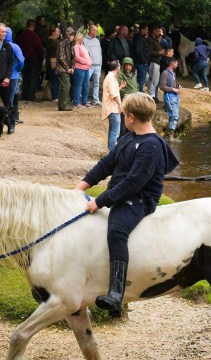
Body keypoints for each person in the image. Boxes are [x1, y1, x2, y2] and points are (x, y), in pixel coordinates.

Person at [75, 93, 180, 317]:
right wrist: (81, 187)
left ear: (131, 117)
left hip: (140, 199)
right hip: (124, 191)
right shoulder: (129, 136)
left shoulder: (151, 146)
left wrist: (100, 201)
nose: (123, 118)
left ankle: (115, 293)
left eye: (124, 115)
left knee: (116, 231)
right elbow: (108, 163)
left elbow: (133, 183)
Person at [16, 19, 44, 103]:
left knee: (26, 77)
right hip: (33, 58)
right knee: (33, 77)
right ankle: (31, 95)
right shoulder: (34, 35)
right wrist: (41, 57)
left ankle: (25, 94)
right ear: (33, 26)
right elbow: (39, 47)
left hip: (23, 59)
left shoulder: (21, 35)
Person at [4, 27, 25, 132]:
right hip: (13, 76)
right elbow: (21, 61)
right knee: (11, 100)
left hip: (1, 75)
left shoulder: (0, 45)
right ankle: (11, 124)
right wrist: (17, 70)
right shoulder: (15, 46)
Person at [101, 60, 123, 151]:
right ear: (117, 68)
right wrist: (120, 105)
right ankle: (112, 152)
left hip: (110, 108)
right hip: (112, 108)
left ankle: (111, 151)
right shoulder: (111, 78)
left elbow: (112, 91)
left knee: (112, 130)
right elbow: (114, 94)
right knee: (115, 132)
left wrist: (120, 87)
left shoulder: (110, 77)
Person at [159, 56, 181, 139]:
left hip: (175, 96)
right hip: (169, 96)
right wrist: (173, 89)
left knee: (176, 115)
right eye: (176, 63)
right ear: (172, 63)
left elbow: (173, 84)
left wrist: (178, 86)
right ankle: (169, 135)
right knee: (174, 116)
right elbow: (162, 86)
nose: (177, 65)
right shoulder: (165, 73)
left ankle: (171, 134)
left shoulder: (173, 73)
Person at [54, 27, 76, 111]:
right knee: (66, 86)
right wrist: (68, 68)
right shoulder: (62, 43)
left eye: (73, 35)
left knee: (65, 86)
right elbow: (61, 57)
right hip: (62, 68)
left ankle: (62, 105)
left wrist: (72, 67)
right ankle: (63, 105)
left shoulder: (71, 44)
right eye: (71, 34)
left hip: (68, 68)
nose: (72, 36)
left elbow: (73, 57)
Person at [72, 31, 93, 109]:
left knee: (86, 85)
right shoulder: (76, 46)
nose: (83, 38)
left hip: (86, 68)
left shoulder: (83, 46)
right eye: (82, 37)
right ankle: (76, 102)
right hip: (79, 68)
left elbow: (87, 55)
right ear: (79, 38)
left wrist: (90, 61)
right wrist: (86, 62)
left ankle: (84, 101)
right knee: (78, 85)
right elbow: (77, 57)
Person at [84, 24, 103, 105]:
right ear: (91, 31)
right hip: (89, 65)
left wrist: (100, 62)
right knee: (85, 82)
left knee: (96, 83)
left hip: (97, 65)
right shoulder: (84, 40)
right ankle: (83, 99)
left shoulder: (97, 40)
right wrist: (88, 62)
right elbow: (85, 53)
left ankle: (96, 99)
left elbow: (100, 52)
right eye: (95, 30)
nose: (97, 32)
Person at [132, 24, 152, 93]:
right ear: (142, 30)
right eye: (146, 30)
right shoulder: (139, 38)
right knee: (141, 80)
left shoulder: (140, 37)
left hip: (141, 62)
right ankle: (138, 95)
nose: (147, 31)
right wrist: (144, 61)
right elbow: (139, 51)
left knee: (140, 79)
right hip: (141, 63)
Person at [44, 25, 61, 101]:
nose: (59, 33)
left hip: (53, 64)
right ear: (53, 32)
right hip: (52, 64)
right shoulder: (51, 41)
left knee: (54, 80)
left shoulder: (54, 41)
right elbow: (60, 45)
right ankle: (55, 97)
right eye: (58, 32)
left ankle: (55, 96)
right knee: (54, 80)